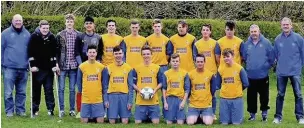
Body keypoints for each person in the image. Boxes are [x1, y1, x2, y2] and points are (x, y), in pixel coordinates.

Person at [272, 17, 304, 124]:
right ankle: (277, 117)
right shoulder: (277, 39)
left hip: (295, 71)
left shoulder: (298, 38)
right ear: (281, 26)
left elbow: (303, 54)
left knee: (298, 94)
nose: (285, 26)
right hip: (281, 72)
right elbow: (276, 55)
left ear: (291, 25)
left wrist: (299, 67)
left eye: (287, 24)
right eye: (283, 24)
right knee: (280, 94)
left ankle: (300, 117)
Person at [243, 24, 275, 122]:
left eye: (255, 31)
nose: (254, 34)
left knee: (264, 96)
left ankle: (264, 114)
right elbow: (244, 58)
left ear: (259, 31)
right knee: (251, 97)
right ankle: (252, 115)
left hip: (263, 76)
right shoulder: (246, 44)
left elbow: (272, 57)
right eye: (252, 32)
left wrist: (266, 67)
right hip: (251, 76)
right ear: (250, 32)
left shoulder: (266, 42)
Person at [1, 14, 31, 117]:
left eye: (20, 20)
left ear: (22, 21)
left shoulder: (27, 34)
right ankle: (9, 111)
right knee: (8, 92)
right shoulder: (5, 34)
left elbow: (30, 50)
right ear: (12, 21)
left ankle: (20, 110)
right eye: (16, 20)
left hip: (23, 68)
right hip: (9, 68)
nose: (18, 22)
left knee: (22, 92)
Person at [28, 20, 59, 116]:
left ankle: (50, 109)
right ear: (40, 28)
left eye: (47, 28)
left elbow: (54, 53)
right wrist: (32, 65)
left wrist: (54, 65)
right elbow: (30, 52)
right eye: (43, 28)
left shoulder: (52, 37)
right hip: (37, 69)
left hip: (49, 69)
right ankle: (34, 109)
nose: (45, 30)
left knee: (49, 89)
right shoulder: (34, 37)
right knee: (36, 90)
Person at [75, 16, 104, 117]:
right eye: (87, 23)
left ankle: (99, 109)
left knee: (96, 86)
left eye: (90, 23)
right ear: (84, 25)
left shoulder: (99, 37)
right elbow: (77, 52)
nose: (88, 25)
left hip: (95, 67)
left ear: (93, 25)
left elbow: (100, 52)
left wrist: (98, 64)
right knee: (80, 87)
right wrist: (81, 65)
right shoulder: (80, 37)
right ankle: (80, 110)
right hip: (83, 66)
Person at [193, 24, 220, 120]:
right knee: (200, 92)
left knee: (212, 94)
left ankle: (212, 113)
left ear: (210, 32)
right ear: (201, 31)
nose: (205, 31)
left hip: (212, 73)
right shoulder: (197, 44)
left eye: (207, 30)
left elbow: (217, 58)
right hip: (199, 73)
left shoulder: (215, 43)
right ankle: (199, 112)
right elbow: (195, 58)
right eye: (203, 30)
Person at [56, 14, 81, 117]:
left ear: (73, 23)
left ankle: (72, 109)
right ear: (65, 22)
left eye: (71, 21)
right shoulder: (60, 35)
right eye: (68, 21)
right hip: (62, 65)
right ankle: (61, 109)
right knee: (61, 89)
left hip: (74, 66)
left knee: (72, 89)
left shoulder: (78, 35)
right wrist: (56, 64)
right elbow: (56, 51)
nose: (69, 23)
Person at [76, 45, 107, 123]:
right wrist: (81, 94)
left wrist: (104, 95)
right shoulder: (82, 66)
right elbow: (79, 83)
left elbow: (104, 83)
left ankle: (95, 115)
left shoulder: (102, 67)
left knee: (100, 121)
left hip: (98, 99)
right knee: (84, 121)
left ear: (96, 54)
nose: (92, 54)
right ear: (87, 53)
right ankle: (88, 115)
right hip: (86, 99)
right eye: (90, 52)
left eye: (93, 52)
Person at [218, 48, 249, 125]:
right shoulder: (220, 69)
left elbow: (246, 83)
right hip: (224, 98)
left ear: (233, 56)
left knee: (236, 123)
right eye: (224, 57)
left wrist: (237, 90)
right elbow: (218, 84)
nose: (226, 58)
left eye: (228, 56)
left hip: (236, 98)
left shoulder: (239, 68)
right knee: (224, 123)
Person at [132, 45, 163, 124]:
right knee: (137, 122)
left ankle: (150, 116)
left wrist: (154, 90)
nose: (146, 56)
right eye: (144, 54)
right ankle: (145, 116)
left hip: (153, 101)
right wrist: (139, 91)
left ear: (151, 54)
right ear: (141, 55)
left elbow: (161, 82)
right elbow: (132, 83)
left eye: (148, 54)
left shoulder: (157, 68)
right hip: (140, 101)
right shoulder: (136, 68)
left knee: (156, 122)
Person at [103, 46, 133, 124]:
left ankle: (124, 115)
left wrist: (130, 101)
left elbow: (130, 87)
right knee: (112, 122)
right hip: (112, 96)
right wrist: (106, 100)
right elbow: (105, 86)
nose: (118, 55)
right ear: (113, 55)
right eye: (116, 54)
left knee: (125, 121)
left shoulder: (128, 68)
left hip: (124, 96)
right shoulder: (108, 68)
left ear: (123, 54)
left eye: (120, 53)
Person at [187, 54, 217, 125]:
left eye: (201, 61)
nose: (199, 63)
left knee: (208, 123)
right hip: (193, 105)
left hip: (206, 106)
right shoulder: (190, 74)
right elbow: (187, 90)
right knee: (190, 123)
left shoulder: (210, 74)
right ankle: (197, 116)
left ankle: (203, 116)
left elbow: (213, 91)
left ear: (204, 62)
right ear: (195, 62)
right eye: (198, 62)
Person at [162, 53, 190, 124]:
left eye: (177, 61)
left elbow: (187, 89)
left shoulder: (184, 73)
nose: (175, 63)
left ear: (179, 62)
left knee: (180, 123)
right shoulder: (166, 73)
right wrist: (165, 102)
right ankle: (171, 115)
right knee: (169, 123)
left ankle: (181, 116)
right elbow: (164, 88)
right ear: (170, 62)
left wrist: (183, 102)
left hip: (180, 99)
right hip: (170, 99)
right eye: (173, 61)